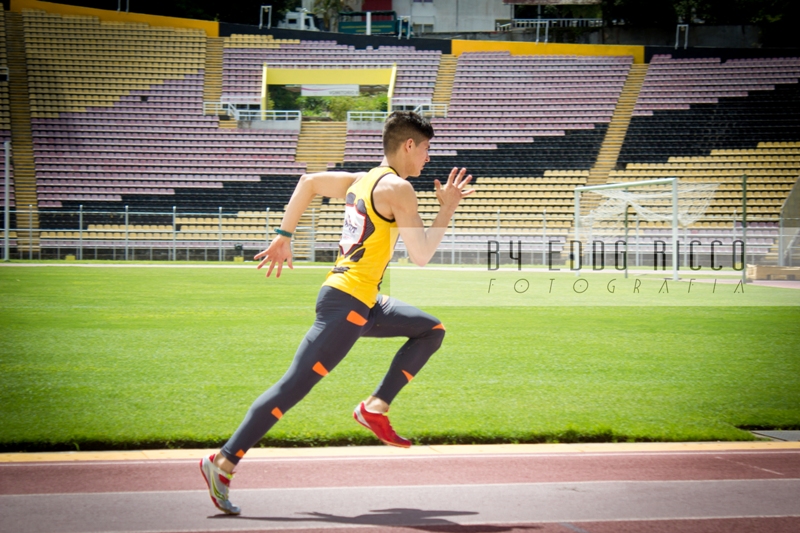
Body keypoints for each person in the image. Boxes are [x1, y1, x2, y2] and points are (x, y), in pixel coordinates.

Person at [200, 111, 474, 515]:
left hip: (362, 301)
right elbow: (421, 255)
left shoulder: (363, 179)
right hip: (347, 304)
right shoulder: (399, 188)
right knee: (292, 387)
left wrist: (284, 235)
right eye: (427, 149)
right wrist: (448, 207)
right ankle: (222, 462)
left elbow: (308, 182)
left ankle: (375, 407)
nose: (428, 159)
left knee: (431, 330)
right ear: (409, 145)